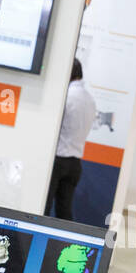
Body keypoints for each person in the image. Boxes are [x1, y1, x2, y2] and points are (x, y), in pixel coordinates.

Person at [44, 58, 95, 222]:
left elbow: (53, 126)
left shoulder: (67, 97)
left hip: (58, 160)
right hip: (75, 164)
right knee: (64, 213)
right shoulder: (90, 99)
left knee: (42, 208)